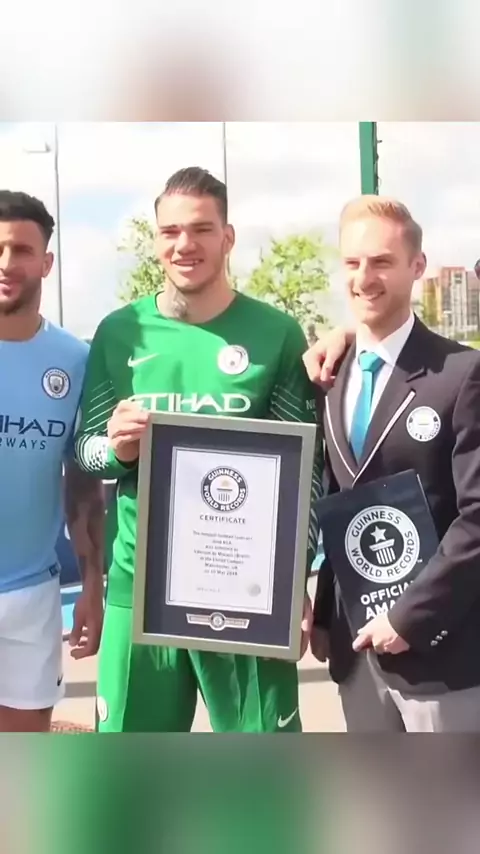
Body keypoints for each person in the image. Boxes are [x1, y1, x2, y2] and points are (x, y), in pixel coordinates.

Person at [73, 166, 325, 733]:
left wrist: (294, 579)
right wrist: (117, 451)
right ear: (156, 241)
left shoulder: (277, 333)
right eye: (171, 231)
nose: (185, 244)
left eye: (202, 229)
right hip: (138, 588)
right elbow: (85, 451)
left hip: (247, 595)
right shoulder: (119, 331)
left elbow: (305, 472)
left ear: (227, 237)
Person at [303, 195, 480, 732]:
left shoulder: (461, 374)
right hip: (355, 653)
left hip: (441, 656)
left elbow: (476, 516)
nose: (364, 277)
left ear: (416, 266)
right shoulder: (328, 376)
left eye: (382, 262)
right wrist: (325, 609)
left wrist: (409, 617)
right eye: (353, 262)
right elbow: (340, 498)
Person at [0, 190, 105, 732]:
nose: (5, 263)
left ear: (46, 262)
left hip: (30, 598)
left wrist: (92, 585)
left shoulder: (75, 360)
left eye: (21, 250)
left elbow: (83, 483)